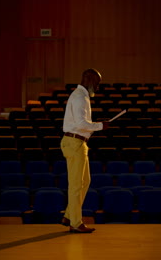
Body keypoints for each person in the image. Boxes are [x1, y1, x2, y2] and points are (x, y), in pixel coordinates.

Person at [60, 68, 110, 233]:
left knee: (85, 181)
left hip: (78, 143)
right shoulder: (80, 97)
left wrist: (97, 125)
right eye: (96, 83)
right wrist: (101, 126)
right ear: (88, 80)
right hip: (75, 143)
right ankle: (75, 223)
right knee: (76, 186)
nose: (97, 87)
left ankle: (69, 214)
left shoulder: (80, 96)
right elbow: (81, 124)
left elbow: (81, 124)